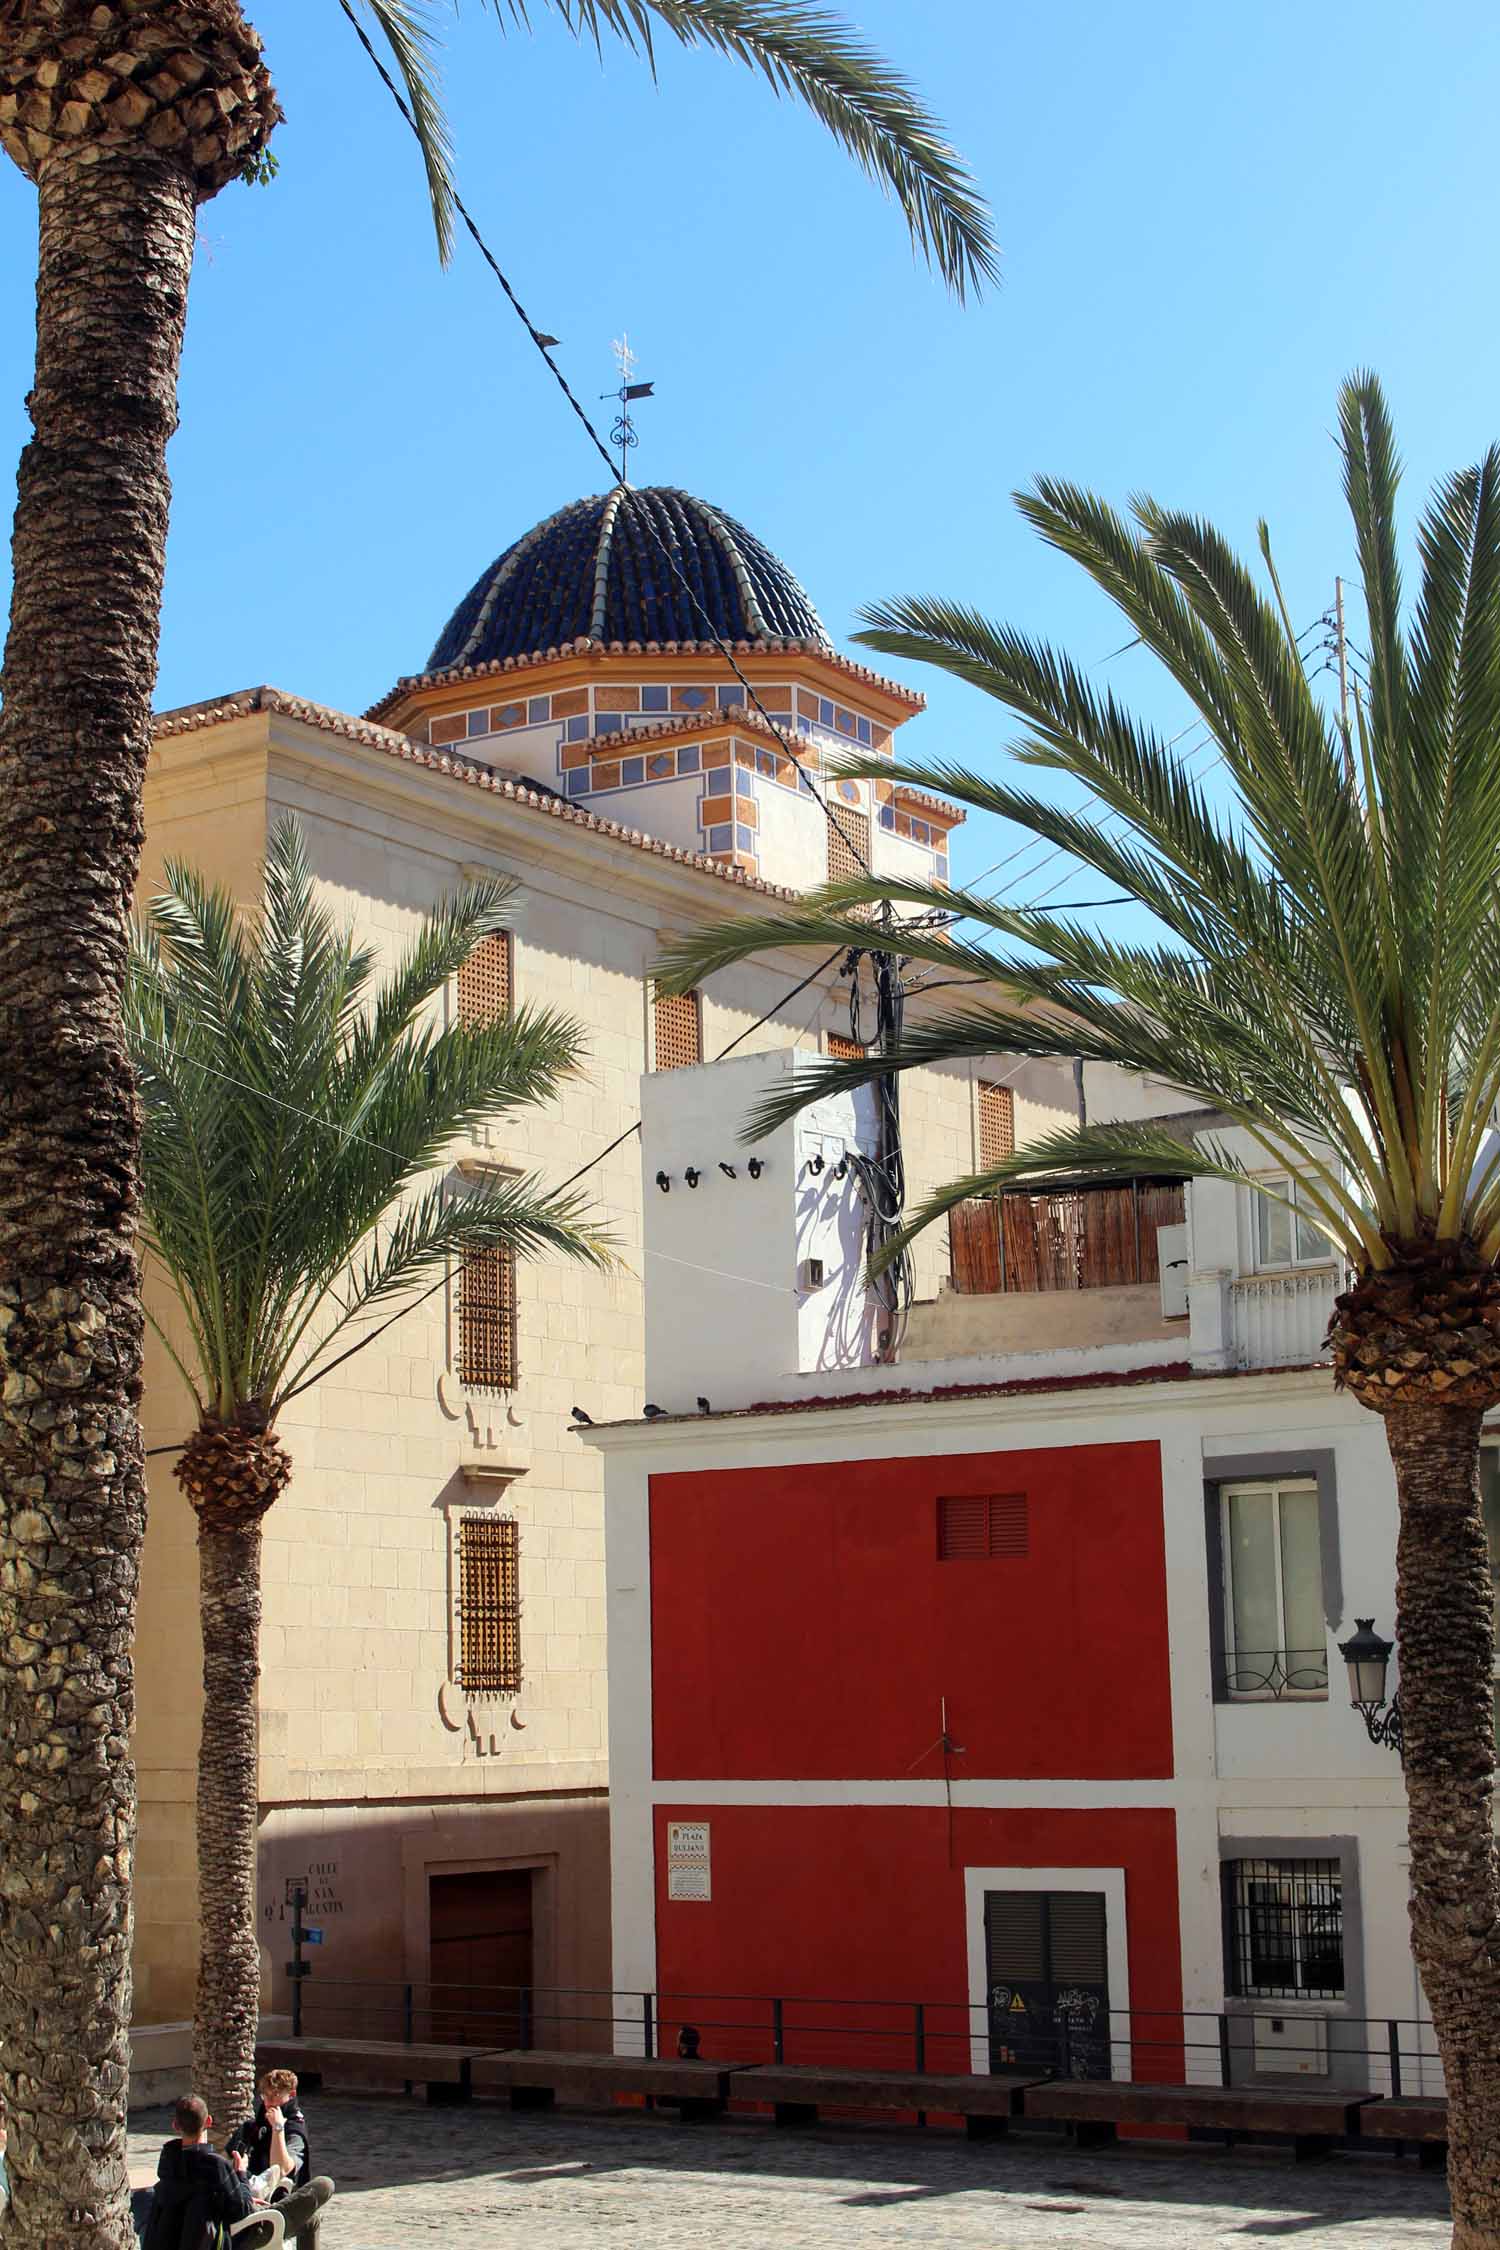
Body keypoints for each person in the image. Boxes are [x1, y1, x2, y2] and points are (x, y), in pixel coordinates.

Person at [227, 2070, 335, 2246]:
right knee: (323, 2187)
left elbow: (281, 2169)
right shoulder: (252, 2128)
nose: (268, 2102)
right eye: (265, 2096)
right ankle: (265, 2222)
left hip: (275, 2198)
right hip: (249, 2206)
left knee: (314, 2213)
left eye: (275, 2095)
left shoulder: (294, 2129)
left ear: (291, 2095)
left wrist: (278, 2128)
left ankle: (268, 2216)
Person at [141, 2095, 255, 2250]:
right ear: (208, 2121)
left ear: (175, 2125)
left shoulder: (168, 2163)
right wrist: (241, 2174)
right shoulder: (216, 2166)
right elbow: (242, 2210)